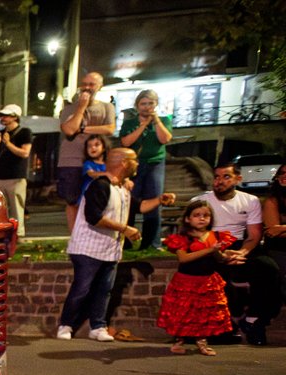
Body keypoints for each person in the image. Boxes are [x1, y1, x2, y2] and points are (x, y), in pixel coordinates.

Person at [55, 148, 175, 341]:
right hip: (87, 248)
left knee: (104, 290)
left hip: (110, 249)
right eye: (134, 160)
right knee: (81, 289)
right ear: (124, 163)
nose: (137, 164)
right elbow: (94, 217)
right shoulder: (100, 186)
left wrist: (159, 200)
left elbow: (140, 206)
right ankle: (66, 325)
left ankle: (98, 326)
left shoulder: (122, 188)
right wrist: (125, 229)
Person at [197, 163, 282, 345]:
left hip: (239, 244)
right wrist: (220, 254)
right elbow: (196, 235)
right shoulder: (200, 201)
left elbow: (254, 235)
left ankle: (254, 320)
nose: (220, 181)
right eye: (217, 177)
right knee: (210, 273)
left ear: (238, 179)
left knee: (269, 269)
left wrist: (241, 253)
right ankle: (225, 324)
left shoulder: (250, 201)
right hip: (210, 245)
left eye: (226, 176)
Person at [156, 200, 242, 356]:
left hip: (207, 281)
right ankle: (179, 341)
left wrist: (226, 256)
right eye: (197, 215)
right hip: (186, 281)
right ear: (188, 219)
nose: (202, 218)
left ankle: (202, 343)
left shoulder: (216, 236)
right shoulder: (182, 238)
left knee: (204, 314)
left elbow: (219, 258)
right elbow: (184, 258)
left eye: (206, 215)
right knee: (183, 312)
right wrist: (209, 249)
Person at [58, 72, 117, 231]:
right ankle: (74, 235)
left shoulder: (106, 107)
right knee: (72, 200)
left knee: (96, 199)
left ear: (100, 87)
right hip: (71, 160)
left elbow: (109, 129)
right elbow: (69, 130)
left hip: (97, 159)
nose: (87, 88)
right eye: (84, 84)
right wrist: (81, 107)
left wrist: (83, 129)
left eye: (91, 84)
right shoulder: (69, 109)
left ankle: (91, 232)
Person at [119, 90, 174, 249]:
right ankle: (127, 241)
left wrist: (156, 122)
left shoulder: (164, 120)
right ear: (137, 106)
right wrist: (142, 125)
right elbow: (126, 142)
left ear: (156, 104)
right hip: (134, 164)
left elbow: (165, 139)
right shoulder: (130, 123)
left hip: (155, 163)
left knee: (154, 200)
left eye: (150, 103)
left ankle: (151, 243)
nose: (147, 107)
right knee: (130, 201)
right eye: (143, 104)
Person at [0, 104, 33, 236]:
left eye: (6, 115)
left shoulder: (24, 132)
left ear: (15, 117)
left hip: (16, 176)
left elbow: (25, 153)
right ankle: (2, 234)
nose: (3, 118)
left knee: (16, 208)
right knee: (0, 208)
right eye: (1, 115)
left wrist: (8, 143)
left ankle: (18, 234)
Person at [262, 164, 286, 300]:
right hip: (279, 248)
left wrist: (282, 228)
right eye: (281, 173)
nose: (284, 176)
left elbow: (278, 229)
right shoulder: (272, 201)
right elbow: (272, 231)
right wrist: (278, 230)